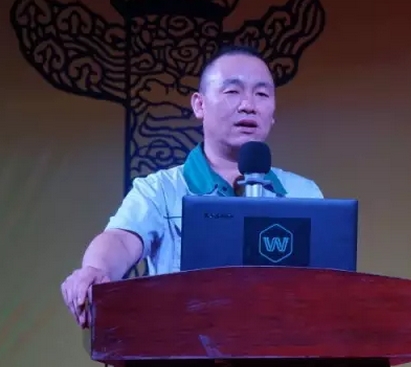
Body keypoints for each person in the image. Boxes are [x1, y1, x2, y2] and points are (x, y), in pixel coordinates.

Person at [61, 45, 324, 327]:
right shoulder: (160, 190)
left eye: (262, 94)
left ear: (272, 112)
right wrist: (96, 269)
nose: (248, 105)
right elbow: (121, 239)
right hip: (186, 344)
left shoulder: (303, 194)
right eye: (232, 91)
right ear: (199, 105)